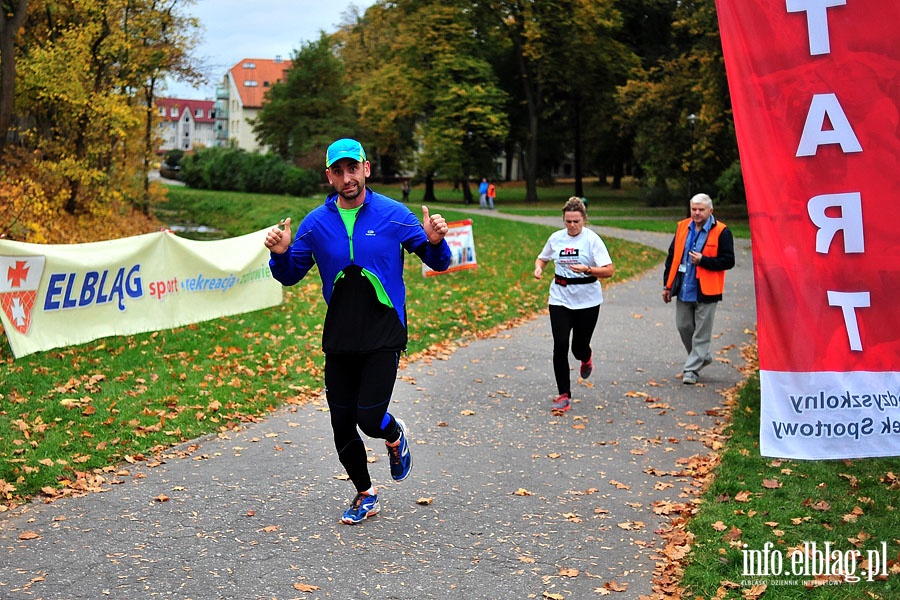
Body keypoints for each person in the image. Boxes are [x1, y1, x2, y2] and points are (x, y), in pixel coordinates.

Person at [265, 138, 451, 524]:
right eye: (339, 170)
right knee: (340, 421)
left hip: (384, 331)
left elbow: (438, 261)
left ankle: (394, 435)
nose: (347, 178)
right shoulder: (315, 224)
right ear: (329, 175)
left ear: (366, 169)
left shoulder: (394, 214)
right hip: (340, 336)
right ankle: (366, 493)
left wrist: (436, 242)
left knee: (370, 418)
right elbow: (290, 275)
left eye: (353, 169)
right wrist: (280, 254)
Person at [533, 197, 614, 413]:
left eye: (576, 221)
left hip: (587, 298)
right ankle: (564, 395)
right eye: (568, 221)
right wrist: (539, 268)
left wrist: (587, 269)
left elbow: (608, 270)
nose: (572, 226)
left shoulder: (592, 240)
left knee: (578, 347)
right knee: (560, 345)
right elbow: (543, 258)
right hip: (560, 296)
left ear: (584, 220)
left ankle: (586, 358)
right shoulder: (556, 238)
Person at [662, 193, 735, 385]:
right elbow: (672, 257)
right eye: (694, 209)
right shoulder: (682, 227)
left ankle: (691, 370)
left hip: (708, 290)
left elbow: (729, 261)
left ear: (710, 211)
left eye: (701, 209)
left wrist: (704, 260)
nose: (696, 213)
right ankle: (702, 356)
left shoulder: (722, 231)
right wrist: (667, 285)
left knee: (702, 333)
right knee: (684, 326)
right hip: (684, 286)